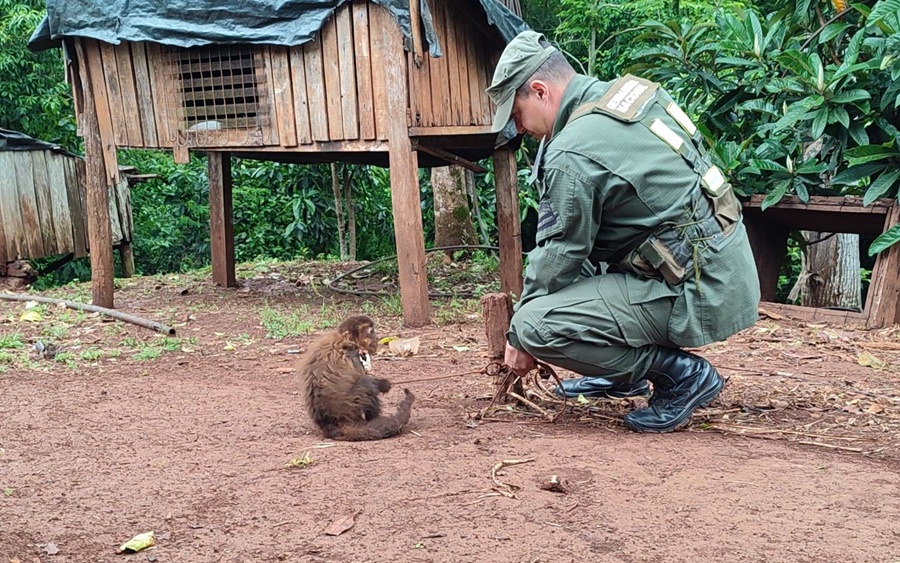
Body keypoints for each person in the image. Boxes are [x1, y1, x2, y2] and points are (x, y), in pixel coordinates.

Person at [486, 30, 761, 433]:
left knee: (535, 325)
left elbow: (559, 254)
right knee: (575, 272)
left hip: (698, 288)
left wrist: (518, 338)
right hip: (719, 262)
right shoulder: (627, 95)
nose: (519, 128)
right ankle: (620, 375)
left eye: (516, 114)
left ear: (540, 91)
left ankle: (681, 375)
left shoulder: (571, 149)